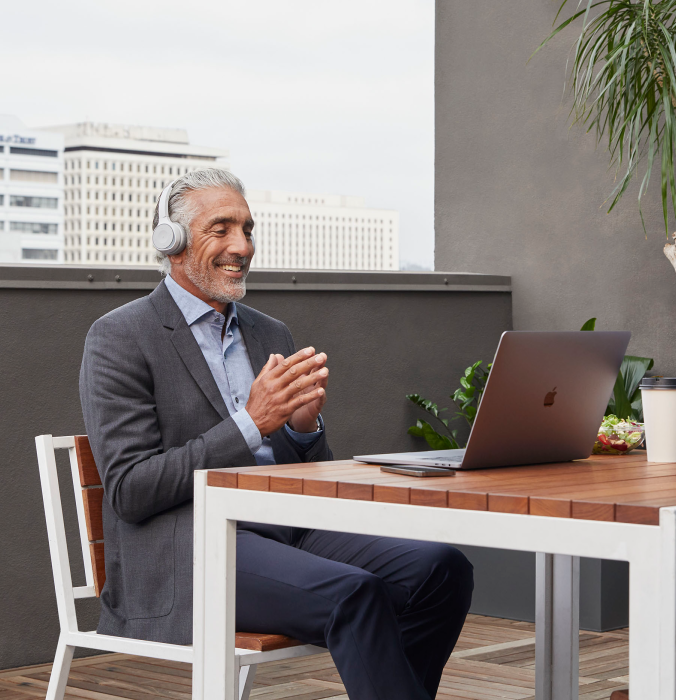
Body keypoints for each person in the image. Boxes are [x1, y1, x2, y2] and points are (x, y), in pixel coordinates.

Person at [79, 168, 473, 699]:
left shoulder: (269, 332)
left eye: (247, 229)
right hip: (193, 551)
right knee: (355, 594)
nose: (241, 246)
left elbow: (304, 469)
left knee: (442, 570)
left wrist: (304, 429)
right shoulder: (121, 336)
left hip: (288, 528)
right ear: (170, 241)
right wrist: (251, 422)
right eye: (221, 229)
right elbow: (130, 489)